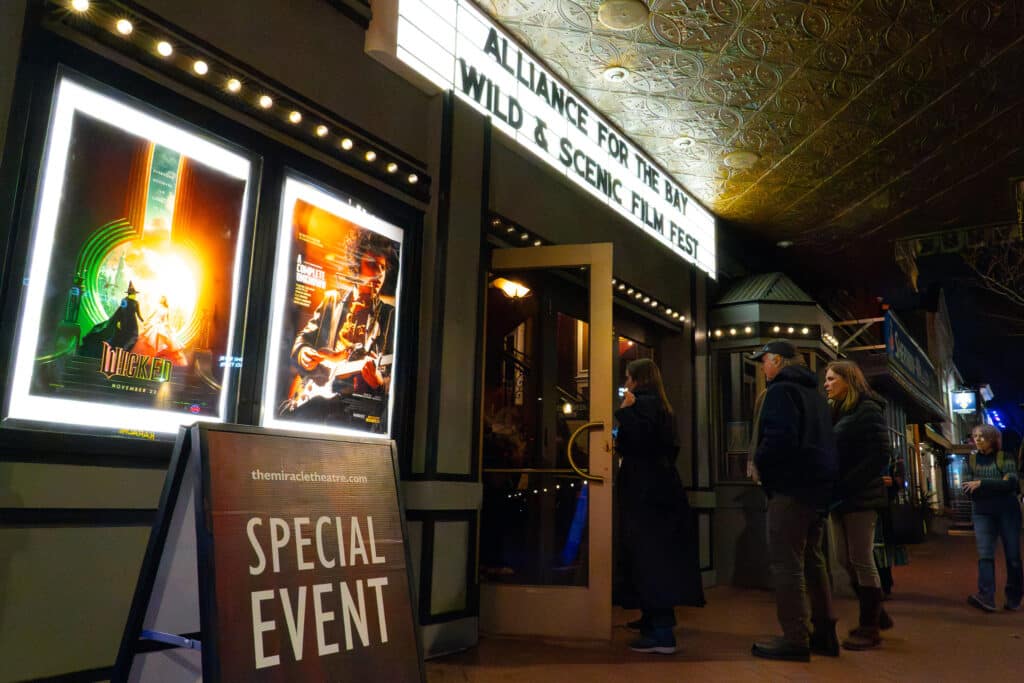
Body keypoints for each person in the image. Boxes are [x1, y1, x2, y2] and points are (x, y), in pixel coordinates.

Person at [750, 341, 839, 662]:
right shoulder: (814, 395)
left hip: (790, 489)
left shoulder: (780, 392)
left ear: (777, 360)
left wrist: (761, 464)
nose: (762, 368)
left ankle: (795, 637)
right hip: (816, 491)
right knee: (814, 561)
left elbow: (777, 439)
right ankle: (825, 632)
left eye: (764, 362)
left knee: (786, 562)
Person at [615, 358, 704, 655]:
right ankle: (655, 619)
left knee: (647, 555)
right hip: (665, 488)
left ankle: (661, 631)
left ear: (638, 379)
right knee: (659, 554)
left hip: (644, 491)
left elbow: (634, 443)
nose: (626, 383)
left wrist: (624, 414)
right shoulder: (664, 407)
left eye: (629, 378)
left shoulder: (639, 406)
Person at [284, 232, 396, 425]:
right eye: (371, 265)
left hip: (353, 417)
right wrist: (303, 353)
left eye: (382, 268)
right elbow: (302, 340)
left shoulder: (389, 316)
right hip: (313, 406)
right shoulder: (332, 301)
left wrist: (381, 383)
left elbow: (398, 377)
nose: (378, 275)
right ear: (356, 265)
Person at [824, 360, 894, 650]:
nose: (826, 384)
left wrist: (850, 483)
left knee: (862, 559)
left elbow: (881, 453)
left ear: (848, 380)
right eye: (825, 380)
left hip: (860, 497)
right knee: (843, 559)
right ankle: (879, 613)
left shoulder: (867, 409)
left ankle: (870, 626)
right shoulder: (837, 411)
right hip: (840, 497)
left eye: (831, 379)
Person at [963, 424, 1022, 612]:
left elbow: (1011, 483)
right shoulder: (971, 460)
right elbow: (966, 488)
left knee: (1012, 556)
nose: (978, 439)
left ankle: (1013, 596)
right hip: (982, 512)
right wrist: (998, 484)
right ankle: (986, 596)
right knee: (985, 555)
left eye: (982, 436)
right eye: (975, 436)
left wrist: (981, 483)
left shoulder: (1005, 457)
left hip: (1008, 511)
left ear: (992, 439)